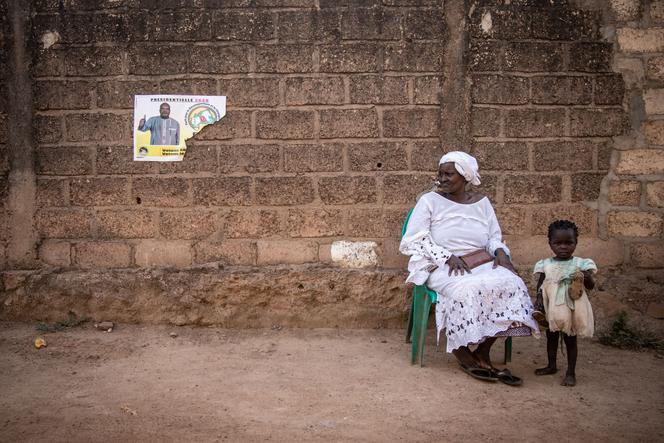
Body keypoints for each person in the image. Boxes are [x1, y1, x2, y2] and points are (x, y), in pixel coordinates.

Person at [400, 151, 539, 386]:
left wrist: (501, 254)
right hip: (442, 265)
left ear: (465, 177)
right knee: (466, 289)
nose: (442, 179)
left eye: (448, 174)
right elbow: (414, 239)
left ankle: (484, 351)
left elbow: (494, 237)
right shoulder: (429, 201)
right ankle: (462, 352)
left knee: (512, 283)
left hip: (481, 261)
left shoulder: (482, 203)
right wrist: (446, 256)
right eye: (440, 174)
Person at [533, 220, 597, 387]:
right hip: (553, 307)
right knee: (551, 336)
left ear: (576, 242)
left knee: (570, 339)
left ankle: (570, 372)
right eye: (558, 243)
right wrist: (539, 300)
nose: (563, 247)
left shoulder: (581, 264)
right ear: (550, 243)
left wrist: (587, 277)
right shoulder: (545, 264)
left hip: (573, 307)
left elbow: (590, 286)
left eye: (569, 243)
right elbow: (541, 285)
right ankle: (551, 365)